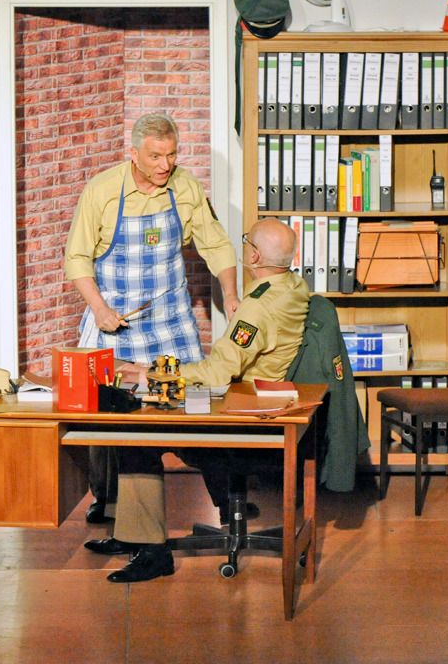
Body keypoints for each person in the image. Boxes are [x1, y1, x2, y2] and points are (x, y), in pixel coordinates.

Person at [84, 218, 310, 584]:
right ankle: (208, 512)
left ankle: (151, 550)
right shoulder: (294, 288)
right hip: (263, 407)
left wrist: (152, 373)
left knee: (137, 434)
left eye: (246, 241)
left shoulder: (257, 309)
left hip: (244, 420)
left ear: (254, 256)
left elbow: (219, 372)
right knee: (151, 419)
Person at [65, 112, 240, 524]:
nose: (166, 165)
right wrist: (99, 309)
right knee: (110, 415)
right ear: (134, 153)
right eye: (156, 156)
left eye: (172, 154)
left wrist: (231, 295)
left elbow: (216, 244)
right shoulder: (103, 191)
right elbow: (77, 257)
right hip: (115, 318)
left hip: (170, 318)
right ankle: (108, 501)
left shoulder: (186, 187)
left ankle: (228, 501)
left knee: (194, 408)